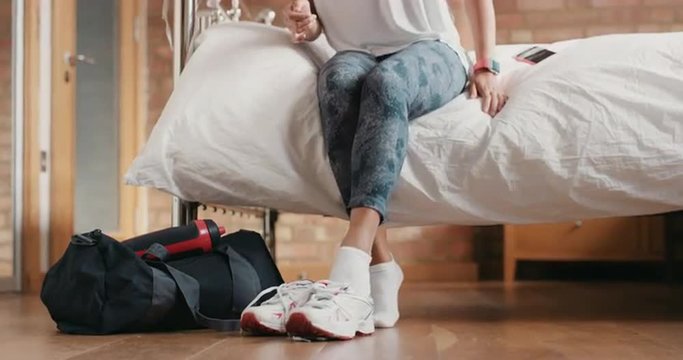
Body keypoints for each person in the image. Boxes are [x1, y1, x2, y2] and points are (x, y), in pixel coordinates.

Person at [241, 0, 506, 340]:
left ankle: (350, 267)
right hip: (355, 52)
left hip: (432, 48)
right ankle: (380, 268)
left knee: (386, 83)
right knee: (336, 81)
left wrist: (485, 65)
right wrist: (309, 23)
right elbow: (318, 21)